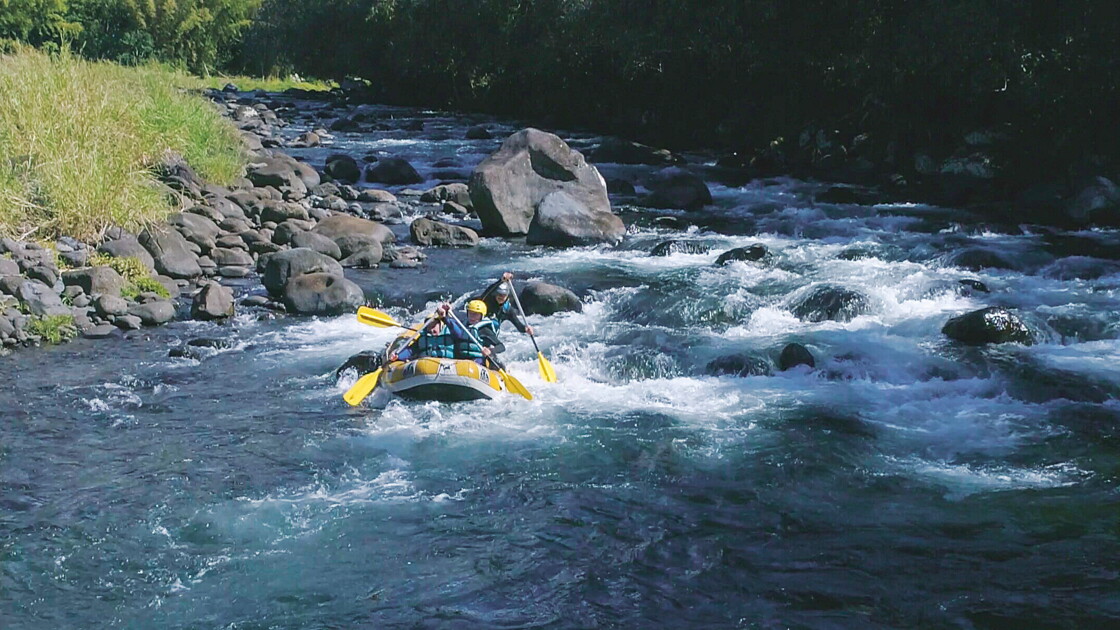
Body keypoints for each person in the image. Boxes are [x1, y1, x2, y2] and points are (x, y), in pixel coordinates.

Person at [475, 271, 533, 336]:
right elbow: (488, 291)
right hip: (478, 334)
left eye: (503, 295)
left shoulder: (507, 310)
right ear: (495, 294)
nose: (501, 297)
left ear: (507, 295)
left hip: (492, 338)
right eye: (499, 294)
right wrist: (501, 280)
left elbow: (518, 325)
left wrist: (526, 329)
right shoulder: (487, 302)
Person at [447, 300, 505, 364]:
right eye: (470, 313)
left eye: (476, 314)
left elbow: (501, 346)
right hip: (460, 360)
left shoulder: (484, 330)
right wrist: (447, 310)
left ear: (481, 316)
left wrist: (490, 350)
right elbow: (452, 315)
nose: (472, 316)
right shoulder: (463, 324)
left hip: (477, 361)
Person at [389, 308, 456, 362]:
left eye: (434, 326)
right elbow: (410, 351)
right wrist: (398, 356)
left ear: (441, 325)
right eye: (429, 327)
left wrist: (445, 317)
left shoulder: (451, 334)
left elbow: (459, 332)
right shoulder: (422, 339)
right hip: (426, 369)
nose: (432, 330)